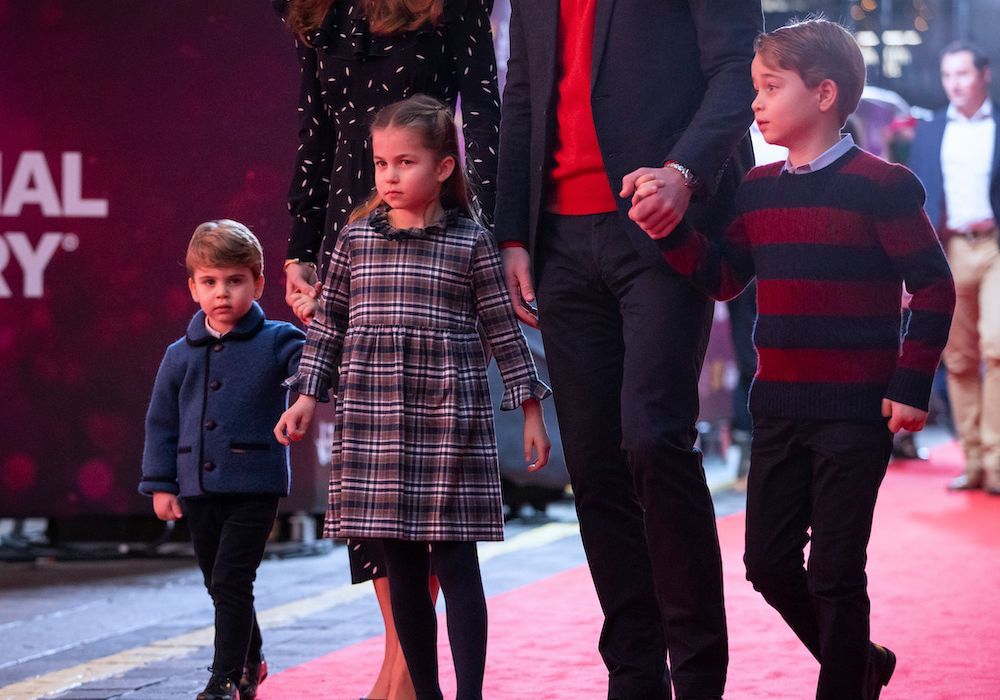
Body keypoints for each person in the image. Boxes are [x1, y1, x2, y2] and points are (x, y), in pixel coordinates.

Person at [646, 19, 955, 699]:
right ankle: (862, 664)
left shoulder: (884, 184)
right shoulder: (756, 189)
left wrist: (910, 387)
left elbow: (934, 286)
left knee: (837, 573)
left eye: (768, 87)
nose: (753, 103)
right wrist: (671, 234)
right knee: (768, 564)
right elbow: (725, 278)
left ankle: (844, 684)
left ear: (823, 94)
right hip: (779, 410)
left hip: (855, 413)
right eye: (754, 87)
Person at [495, 2, 760, 697]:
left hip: (662, 218)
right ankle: (634, 678)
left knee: (653, 439)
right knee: (596, 465)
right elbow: (521, 91)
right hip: (558, 239)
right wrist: (514, 235)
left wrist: (685, 172)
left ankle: (700, 677)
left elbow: (737, 71)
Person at [275, 95, 551, 700]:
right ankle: (424, 693)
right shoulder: (353, 240)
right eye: (381, 164)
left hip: (451, 423)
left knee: (457, 568)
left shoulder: (471, 242)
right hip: (374, 420)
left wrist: (530, 408)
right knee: (400, 568)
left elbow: (504, 331)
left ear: (444, 168)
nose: (390, 176)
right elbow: (328, 329)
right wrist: (304, 397)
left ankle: (470, 694)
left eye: (406, 162)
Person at [139, 221, 305, 700]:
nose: (222, 293)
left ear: (257, 283)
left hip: (254, 485)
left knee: (233, 578)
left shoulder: (278, 339)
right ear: (192, 288)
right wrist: (161, 484)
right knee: (219, 582)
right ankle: (252, 658)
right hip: (196, 487)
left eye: (234, 281)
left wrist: (306, 381)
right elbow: (161, 422)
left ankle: (225, 677)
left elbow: (313, 368)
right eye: (209, 282)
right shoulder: (178, 355)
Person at [908, 40, 1000, 495]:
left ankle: (998, 461)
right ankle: (975, 461)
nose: (955, 84)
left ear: (985, 75)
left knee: (998, 348)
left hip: (996, 246)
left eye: (963, 74)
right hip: (950, 251)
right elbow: (917, 202)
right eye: (948, 76)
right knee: (959, 359)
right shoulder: (929, 132)